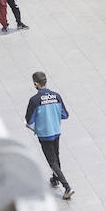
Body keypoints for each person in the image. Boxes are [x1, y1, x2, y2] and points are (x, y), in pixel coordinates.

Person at [24, 71, 74, 200]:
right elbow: (65, 115)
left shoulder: (34, 100)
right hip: (56, 131)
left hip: (44, 134)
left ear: (35, 83)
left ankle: (67, 187)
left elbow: (29, 120)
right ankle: (55, 178)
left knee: (51, 161)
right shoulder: (56, 96)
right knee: (56, 156)